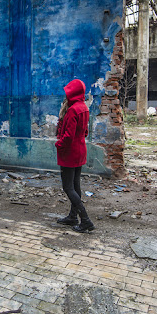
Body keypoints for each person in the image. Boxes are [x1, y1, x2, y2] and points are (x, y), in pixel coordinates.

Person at [55, 79, 95, 233]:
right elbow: (84, 132)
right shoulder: (83, 107)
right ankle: (73, 216)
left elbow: (68, 135)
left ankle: (85, 220)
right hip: (80, 150)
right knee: (76, 185)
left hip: (70, 152)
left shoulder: (72, 110)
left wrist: (59, 144)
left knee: (68, 187)